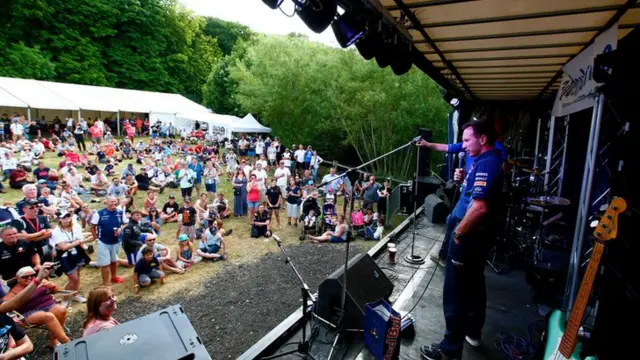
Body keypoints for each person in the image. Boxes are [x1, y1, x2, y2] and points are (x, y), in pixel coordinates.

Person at [420, 119, 504, 360]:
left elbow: (479, 208)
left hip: (469, 236)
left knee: (456, 293)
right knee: (475, 285)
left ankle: (449, 349)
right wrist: (464, 176)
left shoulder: (488, 163)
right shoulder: (485, 161)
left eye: (467, 140)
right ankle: (473, 331)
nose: (464, 146)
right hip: (476, 237)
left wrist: (458, 234)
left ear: (483, 139)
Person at [0, 262, 53, 359]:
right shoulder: (13, 292)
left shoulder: (4, 318)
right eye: (25, 277)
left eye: (32, 276)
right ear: (18, 279)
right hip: (28, 315)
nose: (29, 278)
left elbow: (28, 345)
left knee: (58, 311)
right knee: (49, 316)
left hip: (11, 354)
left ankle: (59, 344)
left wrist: (8, 355)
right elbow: (12, 304)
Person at [90, 197, 128, 286]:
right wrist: (96, 238)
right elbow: (92, 226)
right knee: (105, 264)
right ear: (106, 202)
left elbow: (126, 223)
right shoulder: (99, 213)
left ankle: (114, 277)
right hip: (103, 242)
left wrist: (120, 229)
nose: (113, 203)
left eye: (115, 202)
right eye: (111, 202)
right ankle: (106, 283)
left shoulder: (120, 212)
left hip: (116, 241)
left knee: (114, 261)